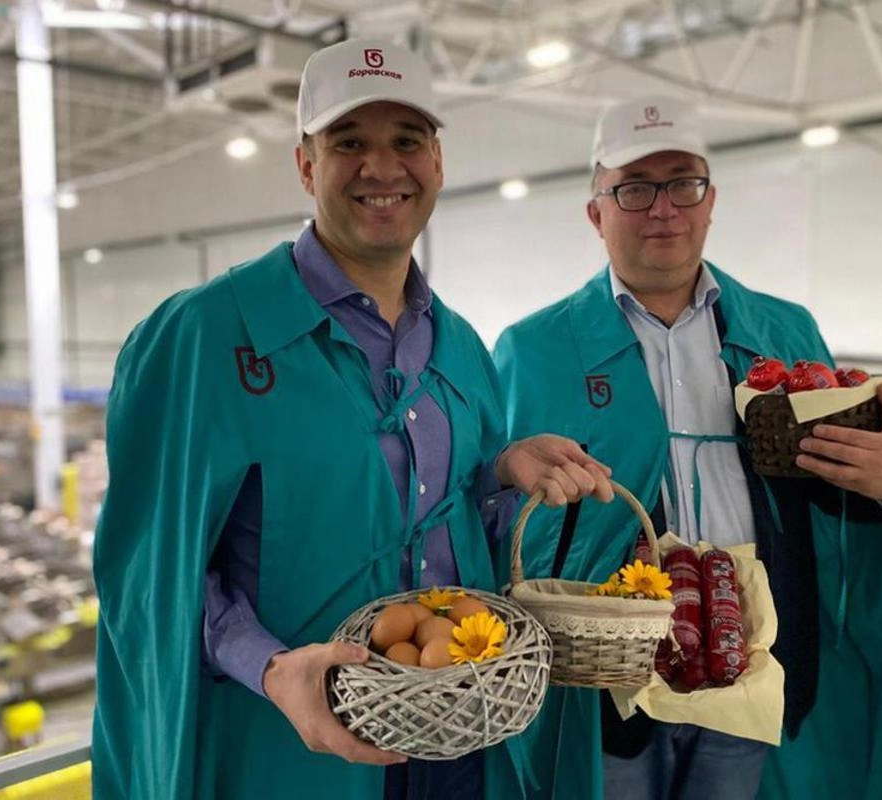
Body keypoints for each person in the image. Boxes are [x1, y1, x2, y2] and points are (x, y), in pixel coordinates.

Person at [90, 38, 612, 800]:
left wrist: (500, 473)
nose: (381, 167)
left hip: (457, 744)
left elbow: (452, 523)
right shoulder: (204, 337)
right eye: (348, 143)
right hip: (291, 752)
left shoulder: (461, 347)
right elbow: (148, 572)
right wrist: (272, 669)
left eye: (407, 140)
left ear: (437, 163)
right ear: (306, 165)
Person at [492, 95, 882, 799]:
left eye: (684, 184)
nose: (664, 209)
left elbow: (836, 501)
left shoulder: (785, 333)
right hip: (607, 679)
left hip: (751, 665)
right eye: (634, 188)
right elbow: (495, 520)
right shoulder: (534, 350)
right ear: (596, 213)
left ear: (711, 201)